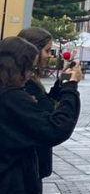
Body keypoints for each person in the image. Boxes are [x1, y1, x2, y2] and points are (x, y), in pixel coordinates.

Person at [0, 37, 82, 194]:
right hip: (13, 191)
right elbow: (55, 129)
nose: (30, 74)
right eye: (28, 68)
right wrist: (70, 89)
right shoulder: (11, 97)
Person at [17, 28, 61, 181]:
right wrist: (71, 88)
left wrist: (60, 84)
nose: (50, 56)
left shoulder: (29, 80)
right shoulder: (26, 84)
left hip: (31, 168)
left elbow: (46, 103)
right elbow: (54, 124)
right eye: (47, 51)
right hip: (27, 170)